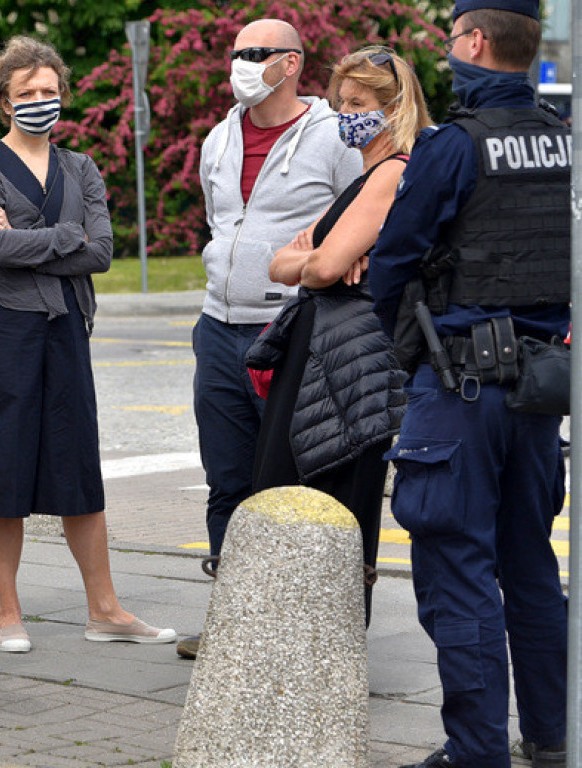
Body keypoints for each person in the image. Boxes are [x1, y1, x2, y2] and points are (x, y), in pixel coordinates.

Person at [368, 1, 569, 765]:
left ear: (476, 41)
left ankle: (475, 752)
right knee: (530, 567)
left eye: (452, 38)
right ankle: (552, 737)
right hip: (539, 393)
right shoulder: (563, 140)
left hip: (460, 391)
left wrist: (408, 345)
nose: (449, 51)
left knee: (457, 572)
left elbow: (393, 261)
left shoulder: (453, 147)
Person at [0, 36, 176, 654]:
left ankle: (104, 609)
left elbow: (102, 253)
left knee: (79, 467)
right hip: (1, 334)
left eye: (48, 92)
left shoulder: (81, 167)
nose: (39, 102)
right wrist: (63, 237)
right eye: (25, 93)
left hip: (66, 332)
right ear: (4, 100)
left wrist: (28, 239)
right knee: (2, 469)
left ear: (62, 96)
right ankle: (7, 613)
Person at [181, 18, 361, 659]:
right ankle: (234, 624)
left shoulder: (333, 137)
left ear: (290, 64)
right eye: (235, 53)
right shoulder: (218, 139)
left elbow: (363, 214)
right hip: (217, 328)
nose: (240, 65)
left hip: (291, 331)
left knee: (294, 482)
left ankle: (304, 634)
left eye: (254, 55)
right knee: (227, 479)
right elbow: (219, 220)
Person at [246, 46, 431, 625]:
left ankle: (322, 644)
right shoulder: (364, 177)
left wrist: (320, 258)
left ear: (393, 108)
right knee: (294, 492)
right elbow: (278, 262)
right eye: (339, 102)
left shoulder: (395, 170)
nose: (344, 114)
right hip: (326, 357)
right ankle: (297, 637)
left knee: (325, 493)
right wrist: (318, 257)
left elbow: (322, 270)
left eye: (357, 103)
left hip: (348, 365)